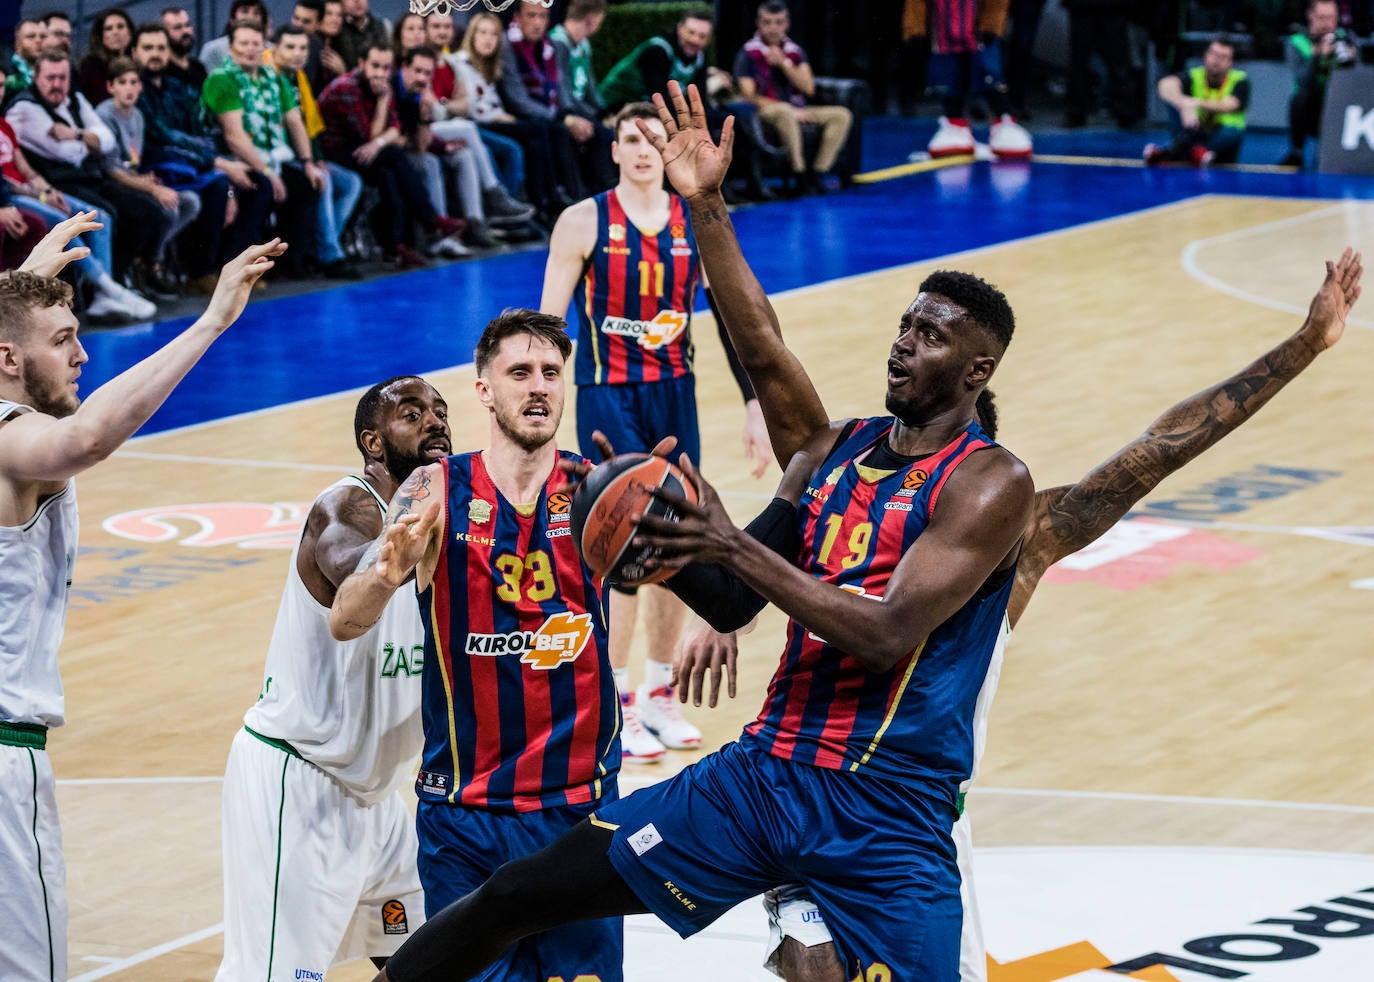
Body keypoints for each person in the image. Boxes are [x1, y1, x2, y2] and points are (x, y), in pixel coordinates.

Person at [649, 90, 1365, 982]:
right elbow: (764, 349)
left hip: (906, 814)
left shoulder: (1007, 524)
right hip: (806, 782)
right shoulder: (844, 468)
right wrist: (704, 206)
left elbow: (1160, 450)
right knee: (808, 967)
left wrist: (1304, 348)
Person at [372, 82, 1035, 982]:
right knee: (513, 896)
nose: (902, 344)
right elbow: (760, 350)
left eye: (929, 335)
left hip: (887, 812)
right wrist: (666, 540)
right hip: (764, 778)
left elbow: (883, 634)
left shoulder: (994, 480)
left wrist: (727, 543)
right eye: (904, 325)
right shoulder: (837, 449)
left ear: (978, 368)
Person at [0, 221, 282, 982]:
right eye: (64, 339)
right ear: (11, 359)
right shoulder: (12, 441)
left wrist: (23, 285)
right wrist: (212, 321)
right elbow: (85, 441)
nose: (83, 355)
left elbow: (10, 344)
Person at [329, 309, 625, 982]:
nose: (539, 388)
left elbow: (697, 586)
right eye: (519, 373)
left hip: (577, 809)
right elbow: (345, 620)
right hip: (465, 815)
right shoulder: (434, 489)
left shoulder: (595, 489)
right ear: (485, 390)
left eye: (551, 373)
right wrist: (385, 571)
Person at [540, 101, 768, 761]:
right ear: (612, 150)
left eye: (652, 140)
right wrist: (539, 405)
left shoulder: (691, 220)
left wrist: (754, 403)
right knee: (620, 541)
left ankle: (658, 693)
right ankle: (614, 702)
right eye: (630, 140)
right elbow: (551, 328)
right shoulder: (582, 222)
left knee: (678, 542)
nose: (642, 151)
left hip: (675, 390)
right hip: (607, 393)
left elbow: (730, 320)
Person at [216, 375, 451, 982]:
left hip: (377, 798)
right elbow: (350, 568)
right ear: (373, 442)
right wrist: (389, 565)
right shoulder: (345, 506)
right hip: (300, 781)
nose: (434, 421)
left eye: (441, 411)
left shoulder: (447, 521)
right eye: (413, 412)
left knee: (433, 960)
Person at [7, 50, 172, 290]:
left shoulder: (75, 99)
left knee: (147, 211)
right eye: (50, 78)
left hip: (90, 178)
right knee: (103, 216)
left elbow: (108, 141)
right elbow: (67, 153)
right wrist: (90, 142)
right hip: (60, 182)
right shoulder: (24, 107)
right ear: (36, 77)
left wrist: (76, 135)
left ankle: (118, 279)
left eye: (62, 78)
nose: (57, 85)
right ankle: (104, 291)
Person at [134, 23, 273, 296]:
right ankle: (201, 272)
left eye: (160, 48)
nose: (155, 54)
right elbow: (164, 137)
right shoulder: (135, 91)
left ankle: (233, 266)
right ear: (135, 52)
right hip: (161, 168)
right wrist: (218, 165)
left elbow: (202, 134)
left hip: (195, 165)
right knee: (220, 186)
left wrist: (215, 163)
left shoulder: (179, 88)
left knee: (259, 184)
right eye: (147, 48)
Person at [318, 43, 464, 268]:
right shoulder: (346, 88)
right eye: (375, 66)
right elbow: (372, 135)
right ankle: (431, 220)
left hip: (365, 152)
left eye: (386, 68)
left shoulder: (385, 87)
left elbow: (393, 128)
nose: (381, 73)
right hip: (333, 154)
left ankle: (396, 247)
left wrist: (378, 142)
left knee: (389, 173)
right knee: (394, 155)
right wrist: (383, 106)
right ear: (361, 64)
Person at [95, 56, 197, 297]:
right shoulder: (104, 114)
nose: (129, 88)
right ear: (111, 87)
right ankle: (150, 265)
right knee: (162, 208)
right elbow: (110, 169)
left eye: (133, 82)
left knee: (190, 202)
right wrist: (149, 188)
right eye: (122, 82)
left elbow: (132, 162)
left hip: (132, 179)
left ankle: (148, 258)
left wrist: (146, 179)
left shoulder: (138, 116)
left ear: (140, 86)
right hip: (109, 184)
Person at [732, 1, 855, 194]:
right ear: (758, 24)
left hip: (798, 107)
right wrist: (790, 110)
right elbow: (749, 95)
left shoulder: (795, 52)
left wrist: (784, 64)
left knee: (841, 115)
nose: (773, 28)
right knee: (785, 112)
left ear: (787, 24)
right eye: (768, 22)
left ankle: (817, 173)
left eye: (778, 22)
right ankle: (798, 173)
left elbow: (809, 88)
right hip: (766, 110)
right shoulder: (748, 53)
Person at [899, 0, 1033, 160]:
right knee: (947, 76)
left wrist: (992, 22)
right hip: (943, 29)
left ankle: (1003, 121)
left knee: (990, 73)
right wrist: (915, 28)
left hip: (978, 27)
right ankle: (954, 123)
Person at [1144, 36, 1247, 169]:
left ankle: (1170, 152)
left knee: (1230, 133)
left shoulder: (1240, 80)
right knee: (1175, 102)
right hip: (1193, 129)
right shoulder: (1194, 75)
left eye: (1223, 57)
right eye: (1213, 54)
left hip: (1220, 136)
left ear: (1230, 62)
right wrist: (1182, 103)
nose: (1216, 60)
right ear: (1205, 55)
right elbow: (1165, 85)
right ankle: (1196, 152)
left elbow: (1231, 104)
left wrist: (1193, 103)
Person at [1281, 0, 1356, 169]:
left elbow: (1359, 80)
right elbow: (1303, 82)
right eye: (1322, 18)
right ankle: (1296, 153)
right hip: (1311, 109)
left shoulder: (1347, 39)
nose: (1327, 24)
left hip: (1340, 108)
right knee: (1299, 99)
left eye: (1331, 18)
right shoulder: (1297, 42)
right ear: (1310, 16)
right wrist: (1317, 57)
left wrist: (1351, 60)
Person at [76, 7, 135, 104]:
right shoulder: (91, 67)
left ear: (130, 32)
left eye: (120, 27)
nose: (115, 32)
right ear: (100, 36)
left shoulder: (138, 63)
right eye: (108, 28)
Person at [160, 6, 207, 91]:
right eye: (177, 27)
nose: (185, 31)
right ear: (164, 34)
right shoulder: (161, 71)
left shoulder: (199, 68)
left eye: (187, 25)